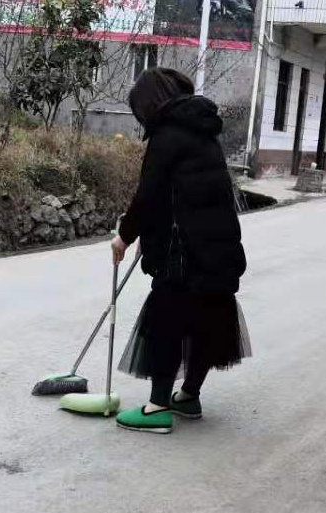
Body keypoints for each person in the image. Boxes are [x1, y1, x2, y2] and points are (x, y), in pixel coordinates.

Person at [111, 67, 249, 434]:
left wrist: (124, 236)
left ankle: (157, 408)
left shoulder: (167, 137)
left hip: (183, 254)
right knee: (207, 320)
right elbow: (185, 194)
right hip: (219, 247)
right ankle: (188, 396)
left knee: (167, 323)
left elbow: (149, 194)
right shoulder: (205, 133)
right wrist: (150, 233)